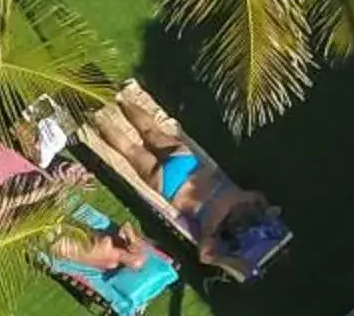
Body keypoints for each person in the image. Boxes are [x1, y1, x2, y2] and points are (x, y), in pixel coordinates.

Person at [84, 84, 280, 264]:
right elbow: (205, 257)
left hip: (187, 164)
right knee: (130, 149)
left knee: (150, 130)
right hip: (170, 185)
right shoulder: (212, 229)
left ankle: (121, 98)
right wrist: (228, 257)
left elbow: (258, 196)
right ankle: (95, 115)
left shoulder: (242, 197)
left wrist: (266, 208)